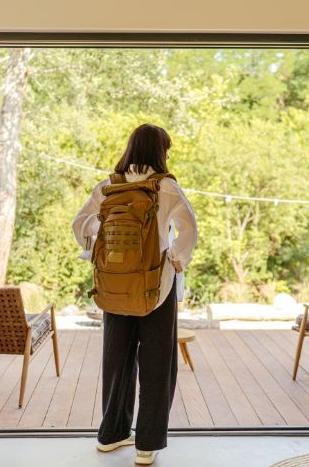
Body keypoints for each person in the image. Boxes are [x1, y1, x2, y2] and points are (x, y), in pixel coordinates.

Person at [72, 123, 197, 466]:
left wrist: (99, 250)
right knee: (157, 363)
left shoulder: (108, 186)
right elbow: (189, 226)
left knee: (116, 360)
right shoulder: (165, 186)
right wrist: (176, 257)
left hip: (113, 286)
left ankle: (111, 435)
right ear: (160, 152)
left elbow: (79, 224)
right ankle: (147, 444)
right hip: (156, 286)